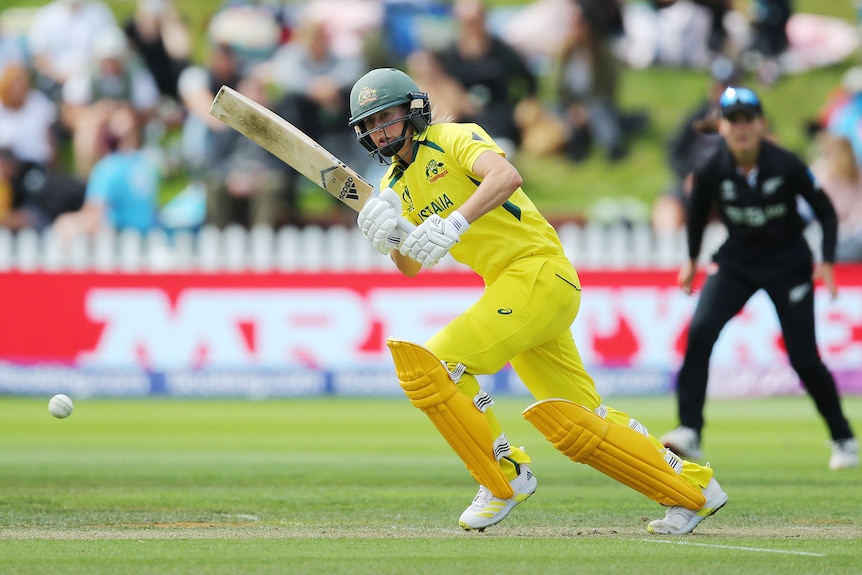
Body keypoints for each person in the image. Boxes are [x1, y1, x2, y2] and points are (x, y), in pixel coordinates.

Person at [346, 67, 727, 535]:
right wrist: (386, 239)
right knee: (579, 423)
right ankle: (692, 489)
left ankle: (505, 476)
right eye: (370, 123)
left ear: (413, 109)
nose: (379, 130)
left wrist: (455, 222)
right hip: (515, 289)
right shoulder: (392, 186)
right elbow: (410, 265)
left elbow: (505, 176)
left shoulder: (453, 137)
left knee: (434, 363)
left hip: (538, 272)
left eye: (387, 116)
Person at [660, 87, 859, 472]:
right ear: (721, 126)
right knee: (700, 333)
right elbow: (697, 215)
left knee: (803, 358)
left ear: (761, 123)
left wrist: (829, 262)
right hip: (738, 262)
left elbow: (826, 211)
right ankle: (689, 430)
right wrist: (691, 260)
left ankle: (843, 437)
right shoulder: (710, 169)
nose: (741, 127)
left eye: (747, 118)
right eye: (732, 119)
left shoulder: (786, 164)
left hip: (788, 266)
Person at [53, 105, 159, 239]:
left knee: (65, 224)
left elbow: (94, 214)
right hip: (150, 232)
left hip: (121, 236)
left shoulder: (108, 168)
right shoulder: (147, 162)